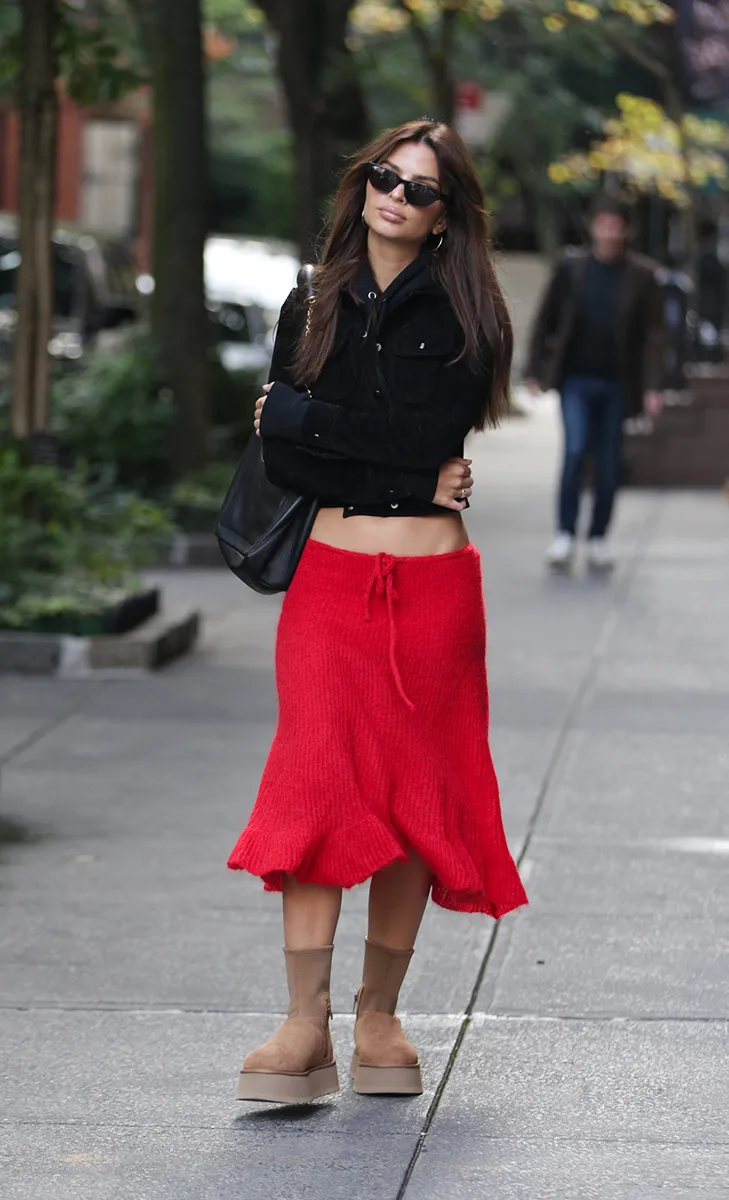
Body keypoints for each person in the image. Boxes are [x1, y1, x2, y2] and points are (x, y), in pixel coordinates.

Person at [226, 119, 527, 1105]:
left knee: (412, 800)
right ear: (363, 184)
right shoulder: (311, 303)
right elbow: (286, 456)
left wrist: (312, 419)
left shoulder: (471, 313)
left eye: (420, 189)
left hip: (433, 598)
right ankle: (303, 1025)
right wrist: (396, 466)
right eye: (384, 177)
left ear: (446, 214)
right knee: (315, 787)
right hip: (330, 586)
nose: (396, 196)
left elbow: (421, 429)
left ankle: (378, 1017)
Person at [525, 195, 665, 573]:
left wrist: (652, 387)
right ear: (593, 226)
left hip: (618, 383)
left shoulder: (642, 275)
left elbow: (653, 336)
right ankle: (565, 533)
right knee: (574, 452)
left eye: (616, 225)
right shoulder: (571, 268)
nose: (609, 232)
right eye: (604, 224)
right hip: (575, 380)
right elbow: (546, 320)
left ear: (627, 230)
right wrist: (534, 368)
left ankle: (598, 536)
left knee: (609, 462)